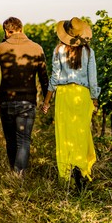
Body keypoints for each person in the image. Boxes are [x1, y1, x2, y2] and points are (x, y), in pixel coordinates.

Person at [41, 17, 100, 190]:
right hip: (82, 96)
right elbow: (93, 79)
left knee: (64, 135)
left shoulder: (58, 50)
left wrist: (47, 101)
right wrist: (94, 99)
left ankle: (65, 177)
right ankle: (81, 174)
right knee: (81, 135)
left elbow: (55, 77)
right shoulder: (89, 52)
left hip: (64, 95)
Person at [0, 17, 49, 176]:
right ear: (21, 29)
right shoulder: (37, 48)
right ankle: (18, 176)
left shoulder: (1, 47)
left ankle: (13, 173)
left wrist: (3, 41)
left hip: (6, 100)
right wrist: (46, 100)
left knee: (11, 141)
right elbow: (44, 77)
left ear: (6, 31)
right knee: (23, 141)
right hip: (27, 101)